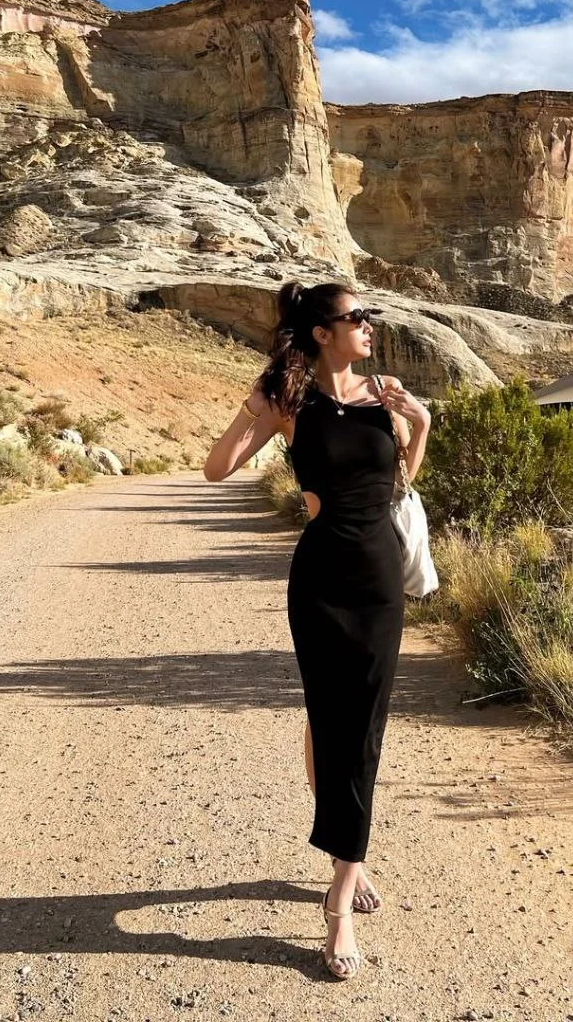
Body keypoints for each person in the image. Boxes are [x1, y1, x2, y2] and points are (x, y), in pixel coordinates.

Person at [203, 279, 432, 979]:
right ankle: (347, 858)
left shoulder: (385, 393)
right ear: (323, 333)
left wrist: (419, 425)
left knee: (362, 729)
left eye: (368, 316)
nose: (369, 325)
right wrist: (256, 405)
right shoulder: (290, 404)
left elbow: (398, 482)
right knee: (329, 722)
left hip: (379, 579)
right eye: (356, 317)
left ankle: (340, 892)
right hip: (320, 580)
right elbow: (216, 469)